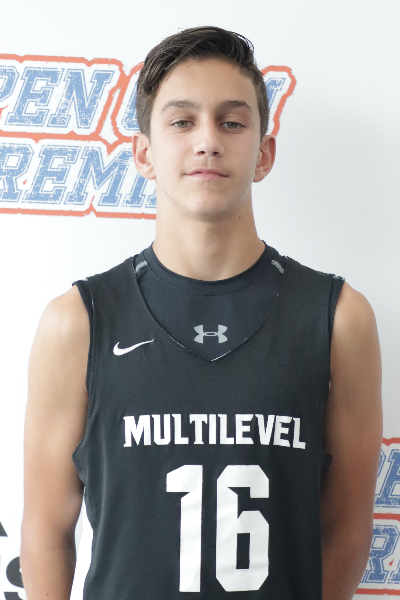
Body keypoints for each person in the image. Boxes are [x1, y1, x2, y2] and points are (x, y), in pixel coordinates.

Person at [20, 26, 382, 600]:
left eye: (232, 122)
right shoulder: (78, 322)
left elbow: (347, 530)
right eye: (182, 121)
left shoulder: (339, 320)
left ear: (263, 154)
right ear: (144, 153)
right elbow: (45, 532)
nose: (208, 141)